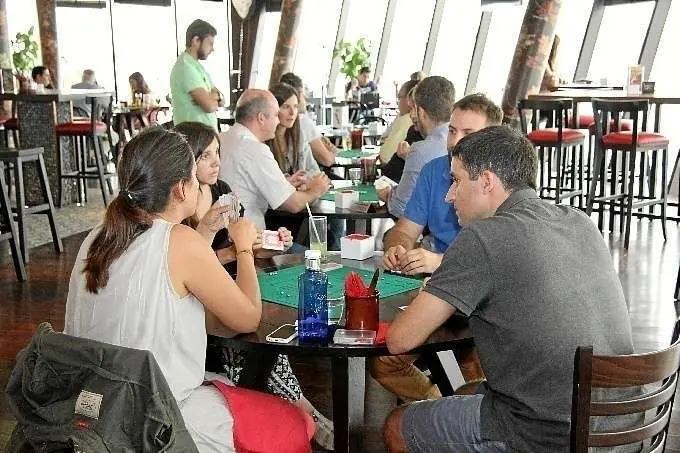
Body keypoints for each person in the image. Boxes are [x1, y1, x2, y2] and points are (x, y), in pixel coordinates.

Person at [382, 125, 635, 452]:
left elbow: (400, 340)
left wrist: (429, 294)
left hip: (547, 432)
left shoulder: (482, 238)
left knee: (398, 426)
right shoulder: (579, 220)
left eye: (456, 180)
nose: (449, 195)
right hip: (622, 421)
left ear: (486, 181)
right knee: (462, 395)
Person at [63, 127, 308, 451]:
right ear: (181, 188)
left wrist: (211, 240)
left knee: (228, 386)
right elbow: (248, 318)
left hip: (96, 406)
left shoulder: (97, 235)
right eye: (194, 174)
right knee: (295, 423)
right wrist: (245, 248)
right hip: (158, 416)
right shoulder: (178, 240)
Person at [173, 121, 334, 450]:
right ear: (185, 161)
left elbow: (243, 240)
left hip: (232, 284)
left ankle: (292, 410)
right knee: (252, 336)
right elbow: (194, 263)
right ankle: (290, 413)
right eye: (205, 156)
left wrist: (268, 243)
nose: (216, 162)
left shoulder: (222, 191)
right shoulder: (179, 205)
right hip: (199, 300)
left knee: (267, 332)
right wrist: (238, 249)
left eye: (217, 152)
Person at [218, 89, 330, 231]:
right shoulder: (255, 149)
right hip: (250, 241)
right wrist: (316, 190)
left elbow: (243, 186)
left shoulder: (221, 138)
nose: (278, 121)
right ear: (261, 118)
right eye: (276, 115)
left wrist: (284, 184)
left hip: (223, 236)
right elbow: (293, 204)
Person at [378, 76, 455, 219]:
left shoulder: (421, 150)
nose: (411, 115)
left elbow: (400, 208)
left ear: (420, 111)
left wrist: (389, 195)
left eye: (413, 108)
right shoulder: (464, 142)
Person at [170, 19, 224, 129]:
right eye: (210, 43)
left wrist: (217, 96)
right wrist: (210, 98)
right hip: (194, 138)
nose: (212, 49)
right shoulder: (185, 67)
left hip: (204, 136)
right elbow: (209, 106)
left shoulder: (196, 66)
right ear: (196, 40)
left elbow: (221, 101)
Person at [279, 72, 336, 167]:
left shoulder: (297, 122)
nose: (305, 98)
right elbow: (327, 160)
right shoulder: (300, 121)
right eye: (302, 93)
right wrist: (332, 152)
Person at [266, 83, 319, 176]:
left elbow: (314, 170)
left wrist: (305, 180)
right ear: (273, 110)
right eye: (286, 107)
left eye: (295, 106)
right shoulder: (263, 140)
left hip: (303, 189)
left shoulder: (299, 135)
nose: (292, 112)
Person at [379, 78, 420, 165]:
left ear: (408, 99)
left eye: (400, 97)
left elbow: (386, 156)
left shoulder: (407, 120)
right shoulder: (402, 118)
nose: (398, 102)